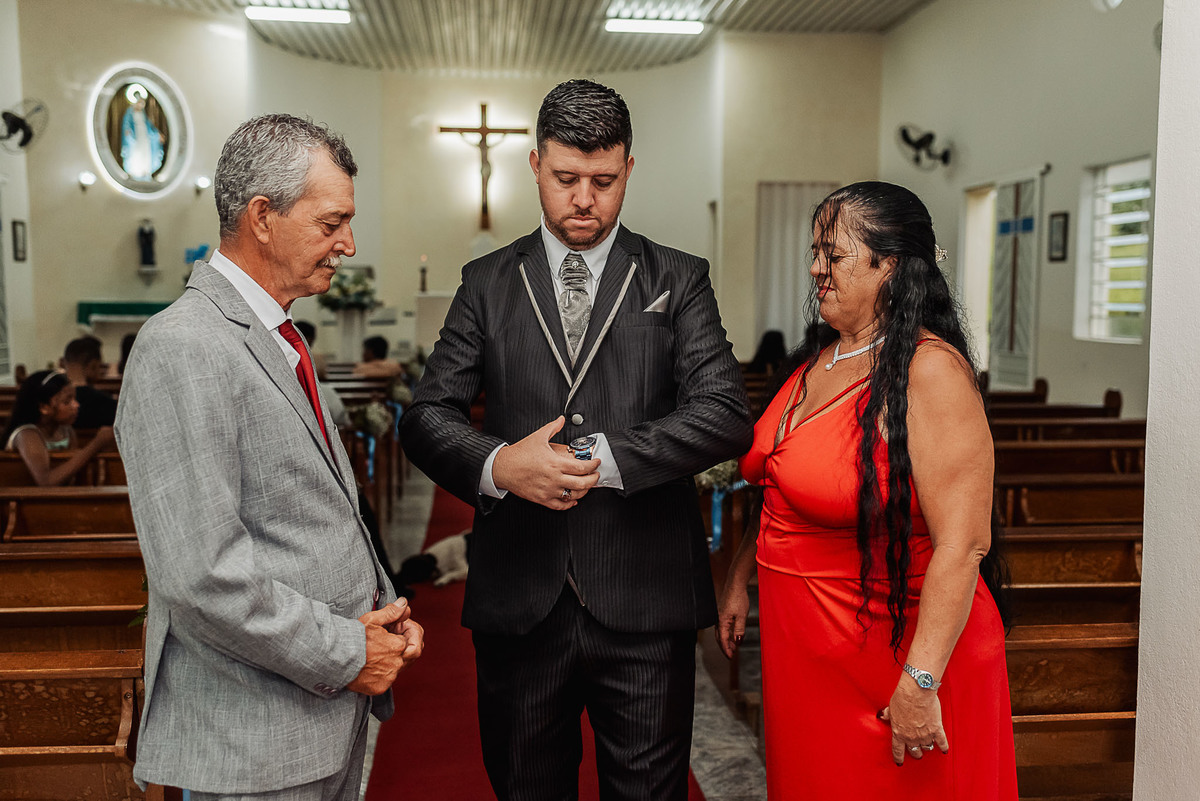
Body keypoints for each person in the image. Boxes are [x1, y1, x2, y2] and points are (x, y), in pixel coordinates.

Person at [400, 79, 753, 801]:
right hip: (520, 593)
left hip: (645, 593)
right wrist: (501, 465)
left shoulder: (678, 278)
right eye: (566, 179)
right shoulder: (486, 283)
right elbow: (428, 415)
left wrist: (608, 458)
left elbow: (724, 412)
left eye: (604, 180)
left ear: (629, 168)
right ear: (535, 165)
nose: (585, 200)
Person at [114, 114, 424, 800]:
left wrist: (381, 607)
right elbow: (201, 575)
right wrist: (347, 652)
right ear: (261, 216)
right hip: (254, 736)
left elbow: (308, 507)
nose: (348, 244)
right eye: (331, 222)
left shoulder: (275, 332)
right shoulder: (184, 346)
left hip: (314, 714)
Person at [717, 181, 1017, 799]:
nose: (815, 269)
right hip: (812, 656)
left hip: (892, 656)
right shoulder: (820, 359)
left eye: (833, 254)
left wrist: (921, 682)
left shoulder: (930, 371)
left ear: (890, 266)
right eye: (815, 253)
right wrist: (741, 575)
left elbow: (963, 545)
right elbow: (780, 483)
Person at [3, 369, 116, 485]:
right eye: (67, 401)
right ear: (44, 407)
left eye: (74, 399)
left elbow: (71, 473)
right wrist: (97, 443)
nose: (76, 405)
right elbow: (46, 481)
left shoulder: (66, 431)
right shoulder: (26, 435)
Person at [60, 336, 118, 429]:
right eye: (99, 366)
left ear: (63, 363)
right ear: (93, 365)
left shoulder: (54, 404)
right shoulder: (108, 405)